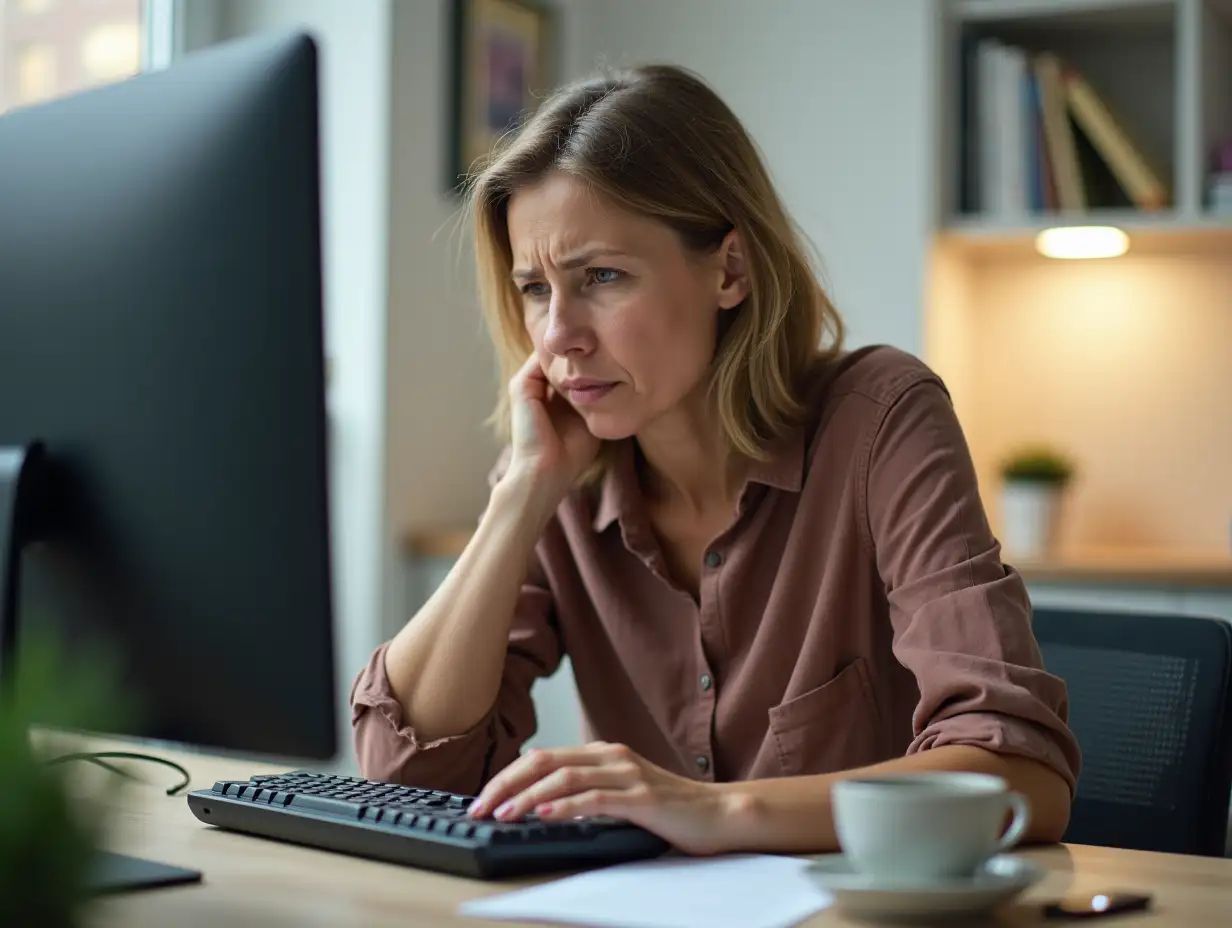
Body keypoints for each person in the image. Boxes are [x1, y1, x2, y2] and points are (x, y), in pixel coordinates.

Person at [351, 64, 1080, 856]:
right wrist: (520, 496)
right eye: (535, 289)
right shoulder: (557, 467)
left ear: (729, 269)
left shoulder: (879, 419)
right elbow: (400, 775)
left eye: (602, 276)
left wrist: (714, 811)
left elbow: (1020, 777)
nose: (559, 334)